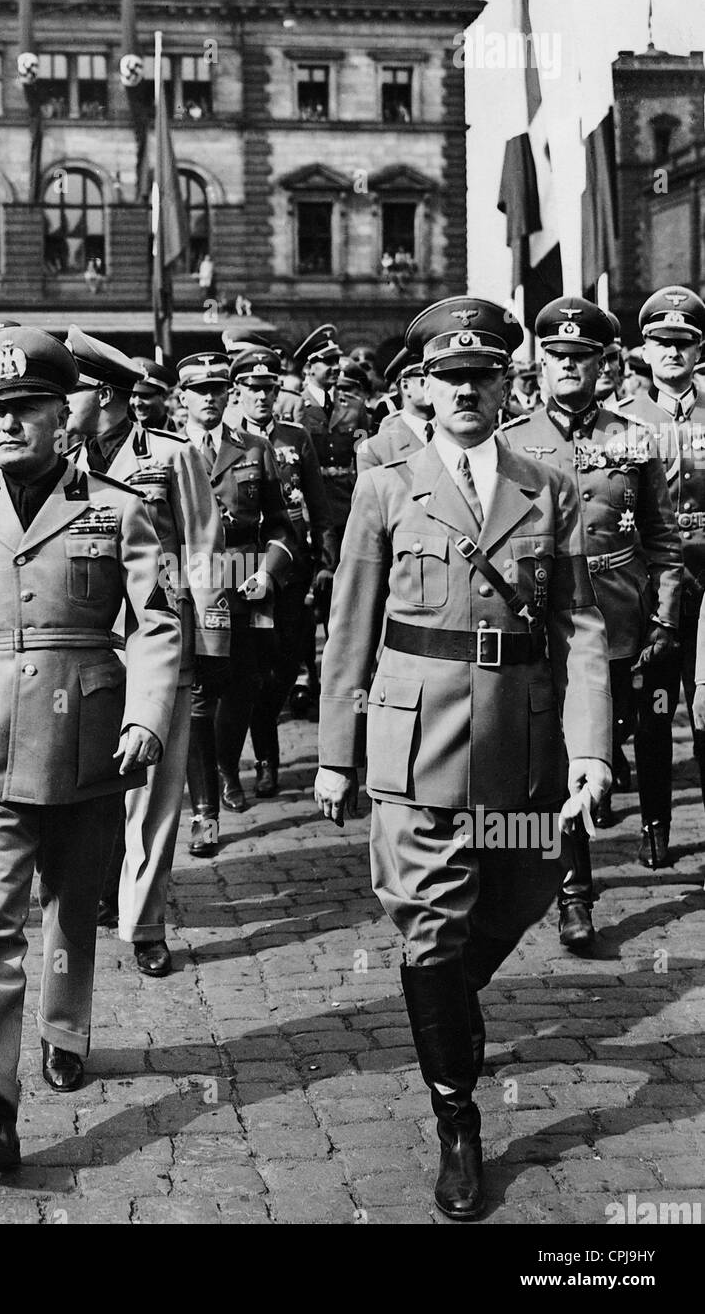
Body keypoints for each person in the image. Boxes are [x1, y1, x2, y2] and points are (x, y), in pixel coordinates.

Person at [315, 296, 612, 1220]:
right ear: (422, 390)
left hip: (517, 741)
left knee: (528, 884)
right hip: (414, 745)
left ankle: (439, 995)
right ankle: (457, 1118)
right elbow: (349, 629)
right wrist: (334, 754)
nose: (469, 390)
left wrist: (589, 748)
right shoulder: (385, 485)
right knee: (432, 924)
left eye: (485, 374)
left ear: (505, 383)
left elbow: (579, 624)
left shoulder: (546, 485)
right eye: (452, 377)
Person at [0, 327, 181, 1169]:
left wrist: (148, 717)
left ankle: (64, 1028)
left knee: (67, 912)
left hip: (89, 742)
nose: (9, 423)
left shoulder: (117, 508)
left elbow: (158, 624)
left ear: (65, 415)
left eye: (28, 408)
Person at [502, 296, 682, 945]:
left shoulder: (631, 439)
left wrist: (663, 618)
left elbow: (661, 536)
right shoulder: (512, 442)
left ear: (602, 365)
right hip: (548, 621)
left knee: (614, 739)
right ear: (540, 364)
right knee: (557, 753)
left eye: (580, 358)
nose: (568, 368)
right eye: (556, 357)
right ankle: (573, 895)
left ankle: (610, 808)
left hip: (619, 616)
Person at [64, 328, 228, 976]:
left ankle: (146, 924)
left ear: (102, 394)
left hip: (160, 642)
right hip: (85, 645)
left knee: (156, 796)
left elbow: (206, 548)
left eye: (70, 388)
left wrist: (211, 641)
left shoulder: (170, 455)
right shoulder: (60, 463)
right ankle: (94, 896)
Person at [178, 352, 295, 851]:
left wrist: (270, 572)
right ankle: (204, 810)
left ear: (229, 395)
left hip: (246, 578)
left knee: (247, 682)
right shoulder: (166, 449)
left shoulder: (255, 446)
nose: (209, 398)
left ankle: (227, 765)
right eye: (199, 390)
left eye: (217, 389)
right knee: (199, 694)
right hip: (188, 580)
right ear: (181, 397)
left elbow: (280, 524)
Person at [619, 285, 705, 867]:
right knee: (652, 712)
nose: (671, 353)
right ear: (644, 351)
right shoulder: (621, 420)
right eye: (660, 342)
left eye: (683, 343)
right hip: (652, 586)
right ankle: (654, 823)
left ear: (700, 351)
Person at [231, 348, 337, 796]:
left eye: (268, 388)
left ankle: (266, 738)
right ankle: (265, 759)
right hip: (245, 570)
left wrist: (327, 560)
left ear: (278, 392)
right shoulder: (227, 440)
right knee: (253, 667)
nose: (261, 396)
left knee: (289, 661)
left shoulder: (296, 437)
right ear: (238, 392)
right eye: (253, 389)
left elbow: (318, 501)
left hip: (292, 566)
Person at [289, 325, 368, 716]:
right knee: (309, 599)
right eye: (327, 362)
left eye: (337, 361)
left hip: (348, 510)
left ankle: (339, 675)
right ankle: (306, 673)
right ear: (309, 367)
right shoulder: (294, 409)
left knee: (342, 595)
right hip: (309, 515)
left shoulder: (353, 406)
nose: (336, 368)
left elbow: (360, 459)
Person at [356, 350, 432, 472]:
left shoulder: (458, 437)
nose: (434, 384)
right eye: (425, 379)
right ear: (405, 386)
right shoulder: (373, 449)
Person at [130, 358, 177, 432]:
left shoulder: (181, 432)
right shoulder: (126, 435)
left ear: (164, 396)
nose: (137, 403)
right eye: (133, 395)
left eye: (144, 396)